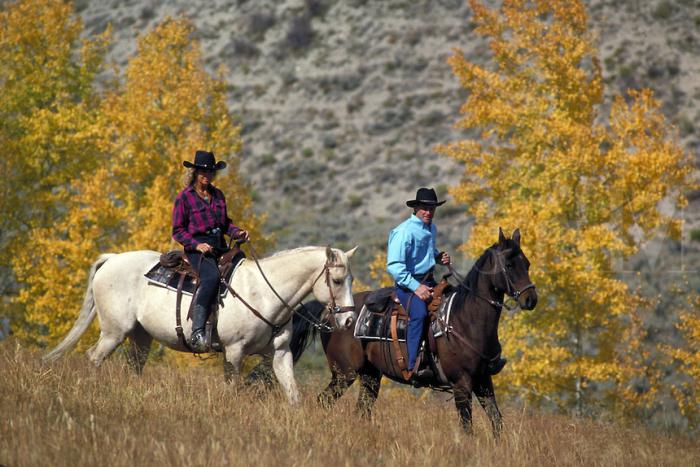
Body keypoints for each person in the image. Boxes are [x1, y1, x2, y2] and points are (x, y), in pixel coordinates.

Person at [387, 187, 506, 379]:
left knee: (456, 307)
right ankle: (413, 365)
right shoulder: (403, 232)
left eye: (432, 208)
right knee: (419, 314)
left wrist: (438, 256)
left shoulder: (431, 228)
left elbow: (426, 253)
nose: (429, 212)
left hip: (429, 281)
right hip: (408, 286)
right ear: (416, 208)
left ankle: (457, 358)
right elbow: (394, 266)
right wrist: (416, 288)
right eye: (425, 208)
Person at [172, 150, 249, 352]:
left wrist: (238, 232)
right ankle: (197, 331)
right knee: (211, 277)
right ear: (195, 172)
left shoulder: (218, 195)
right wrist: (196, 245)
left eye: (210, 172)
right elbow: (177, 231)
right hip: (197, 250)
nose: (206, 176)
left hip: (218, 245)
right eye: (202, 172)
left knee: (241, 267)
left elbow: (225, 224)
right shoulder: (184, 198)